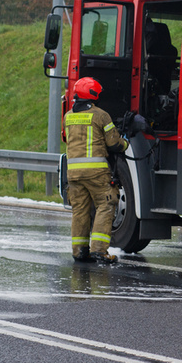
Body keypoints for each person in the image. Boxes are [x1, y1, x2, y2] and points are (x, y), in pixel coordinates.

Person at [63, 77, 128, 264]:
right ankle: (99, 250)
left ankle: (79, 252)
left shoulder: (68, 116)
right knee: (106, 205)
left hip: (74, 174)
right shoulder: (101, 115)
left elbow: (67, 138)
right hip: (96, 173)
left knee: (80, 211)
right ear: (94, 94)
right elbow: (114, 142)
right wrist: (126, 144)